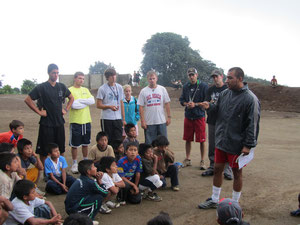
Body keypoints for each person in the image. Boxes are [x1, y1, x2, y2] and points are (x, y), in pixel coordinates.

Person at [198, 67, 260, 209]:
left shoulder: (250, 99)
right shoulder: (225, 94)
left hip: (237, 144)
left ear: (240, 79)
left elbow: (253, 124)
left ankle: (235, 204)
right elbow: (217, 111)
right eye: (226, 77)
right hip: (222, 140)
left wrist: (248, 145)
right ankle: (214, 199)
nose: (226, 81)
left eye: (230, 78)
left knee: (237, 173)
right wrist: (209, 107)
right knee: (217, 169)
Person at [24, 63, 74, 165]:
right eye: (53, 73)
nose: (56, 75)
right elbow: (28, 99)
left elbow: (71, 98)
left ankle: (60, 168)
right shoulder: (42, 87)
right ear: (48, 73)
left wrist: (66, 109)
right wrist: (38, 112)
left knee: (60, 148)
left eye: (57, 73)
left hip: (59, 122)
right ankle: (47, 172)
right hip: (46, 123)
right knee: (44, 149)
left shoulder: (61, 87)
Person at [202, 69, 233, 180]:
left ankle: (227, 168)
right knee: (213, 144)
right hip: (212, 120)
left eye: (217, 76)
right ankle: (212, 166)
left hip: (225, 122)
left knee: (226, 144)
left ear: (222, 76)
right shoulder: (210, 90)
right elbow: (207, 103)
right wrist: (207, 105)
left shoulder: (228, 89)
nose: (215, 79)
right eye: (213, 77)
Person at [179, 68, 208, 169]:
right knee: (188, 139)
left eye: (193, 75)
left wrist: (195, 104)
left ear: (197, 75)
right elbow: (181, 100)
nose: (191, 77)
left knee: (202, 140)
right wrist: (186, 104)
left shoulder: (203, 86)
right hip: (188, 116)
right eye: (190, 75)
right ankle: (188, 159)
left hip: (199, 116)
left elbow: (207, 101)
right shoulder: (186, 86)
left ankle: (202, 161)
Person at [68, 72, 95, 174]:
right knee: (74, 144)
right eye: (79, 78)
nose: (81, 80)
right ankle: (74, 163)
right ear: (75, 79)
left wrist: (80, 101)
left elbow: (92, 100)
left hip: (86, 120)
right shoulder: (70, 90)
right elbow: (74, 105)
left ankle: (85, 161)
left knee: (85, 143)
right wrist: (85, 102)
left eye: (83, 79)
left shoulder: (85, 90)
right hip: (76, 121)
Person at [137, 70, 171, 144]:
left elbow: (167, 103)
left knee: (163, 143)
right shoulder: (143, 91)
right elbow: (141, 107)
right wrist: (142, 121)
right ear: (147, 79)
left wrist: (169, 117)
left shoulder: (162, 89)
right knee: (150, 144)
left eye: (153, 78)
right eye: (150, 79)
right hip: (149, 122)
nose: (152, 80)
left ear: (156, 79)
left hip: (161, 121)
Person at [96, 68, 126, 144]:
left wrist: (123, 119)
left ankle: (117, 156)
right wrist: (109, 107)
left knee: (118, 140)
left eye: (114, 75)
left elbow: (121, 102)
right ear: (107, 78)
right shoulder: (102, 89)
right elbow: (98, 105)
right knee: (108, 140)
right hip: (106, 118)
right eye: (111, 76)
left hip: (118, 118)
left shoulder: (119, 87)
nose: (113, 77)